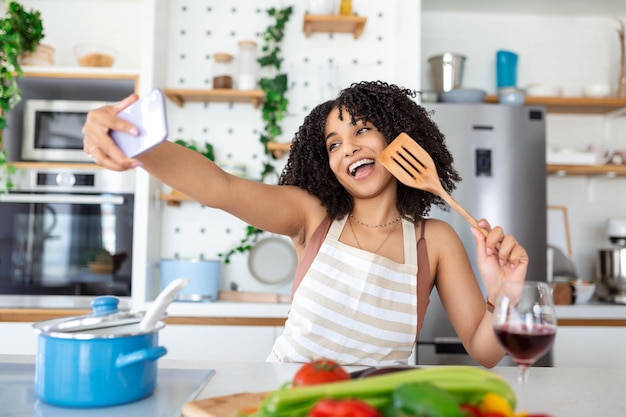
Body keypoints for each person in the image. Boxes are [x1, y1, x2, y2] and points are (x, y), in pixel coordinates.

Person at [82, 81, 528, 367]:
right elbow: (220, 188)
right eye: (334, 143)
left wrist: (503, 293)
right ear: (326, 163)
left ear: (397, 139)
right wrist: (132, 141)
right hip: (290, 402)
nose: (348, 148)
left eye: (362, 130)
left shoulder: (436, 240)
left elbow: (484, 351)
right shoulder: (312, 218)